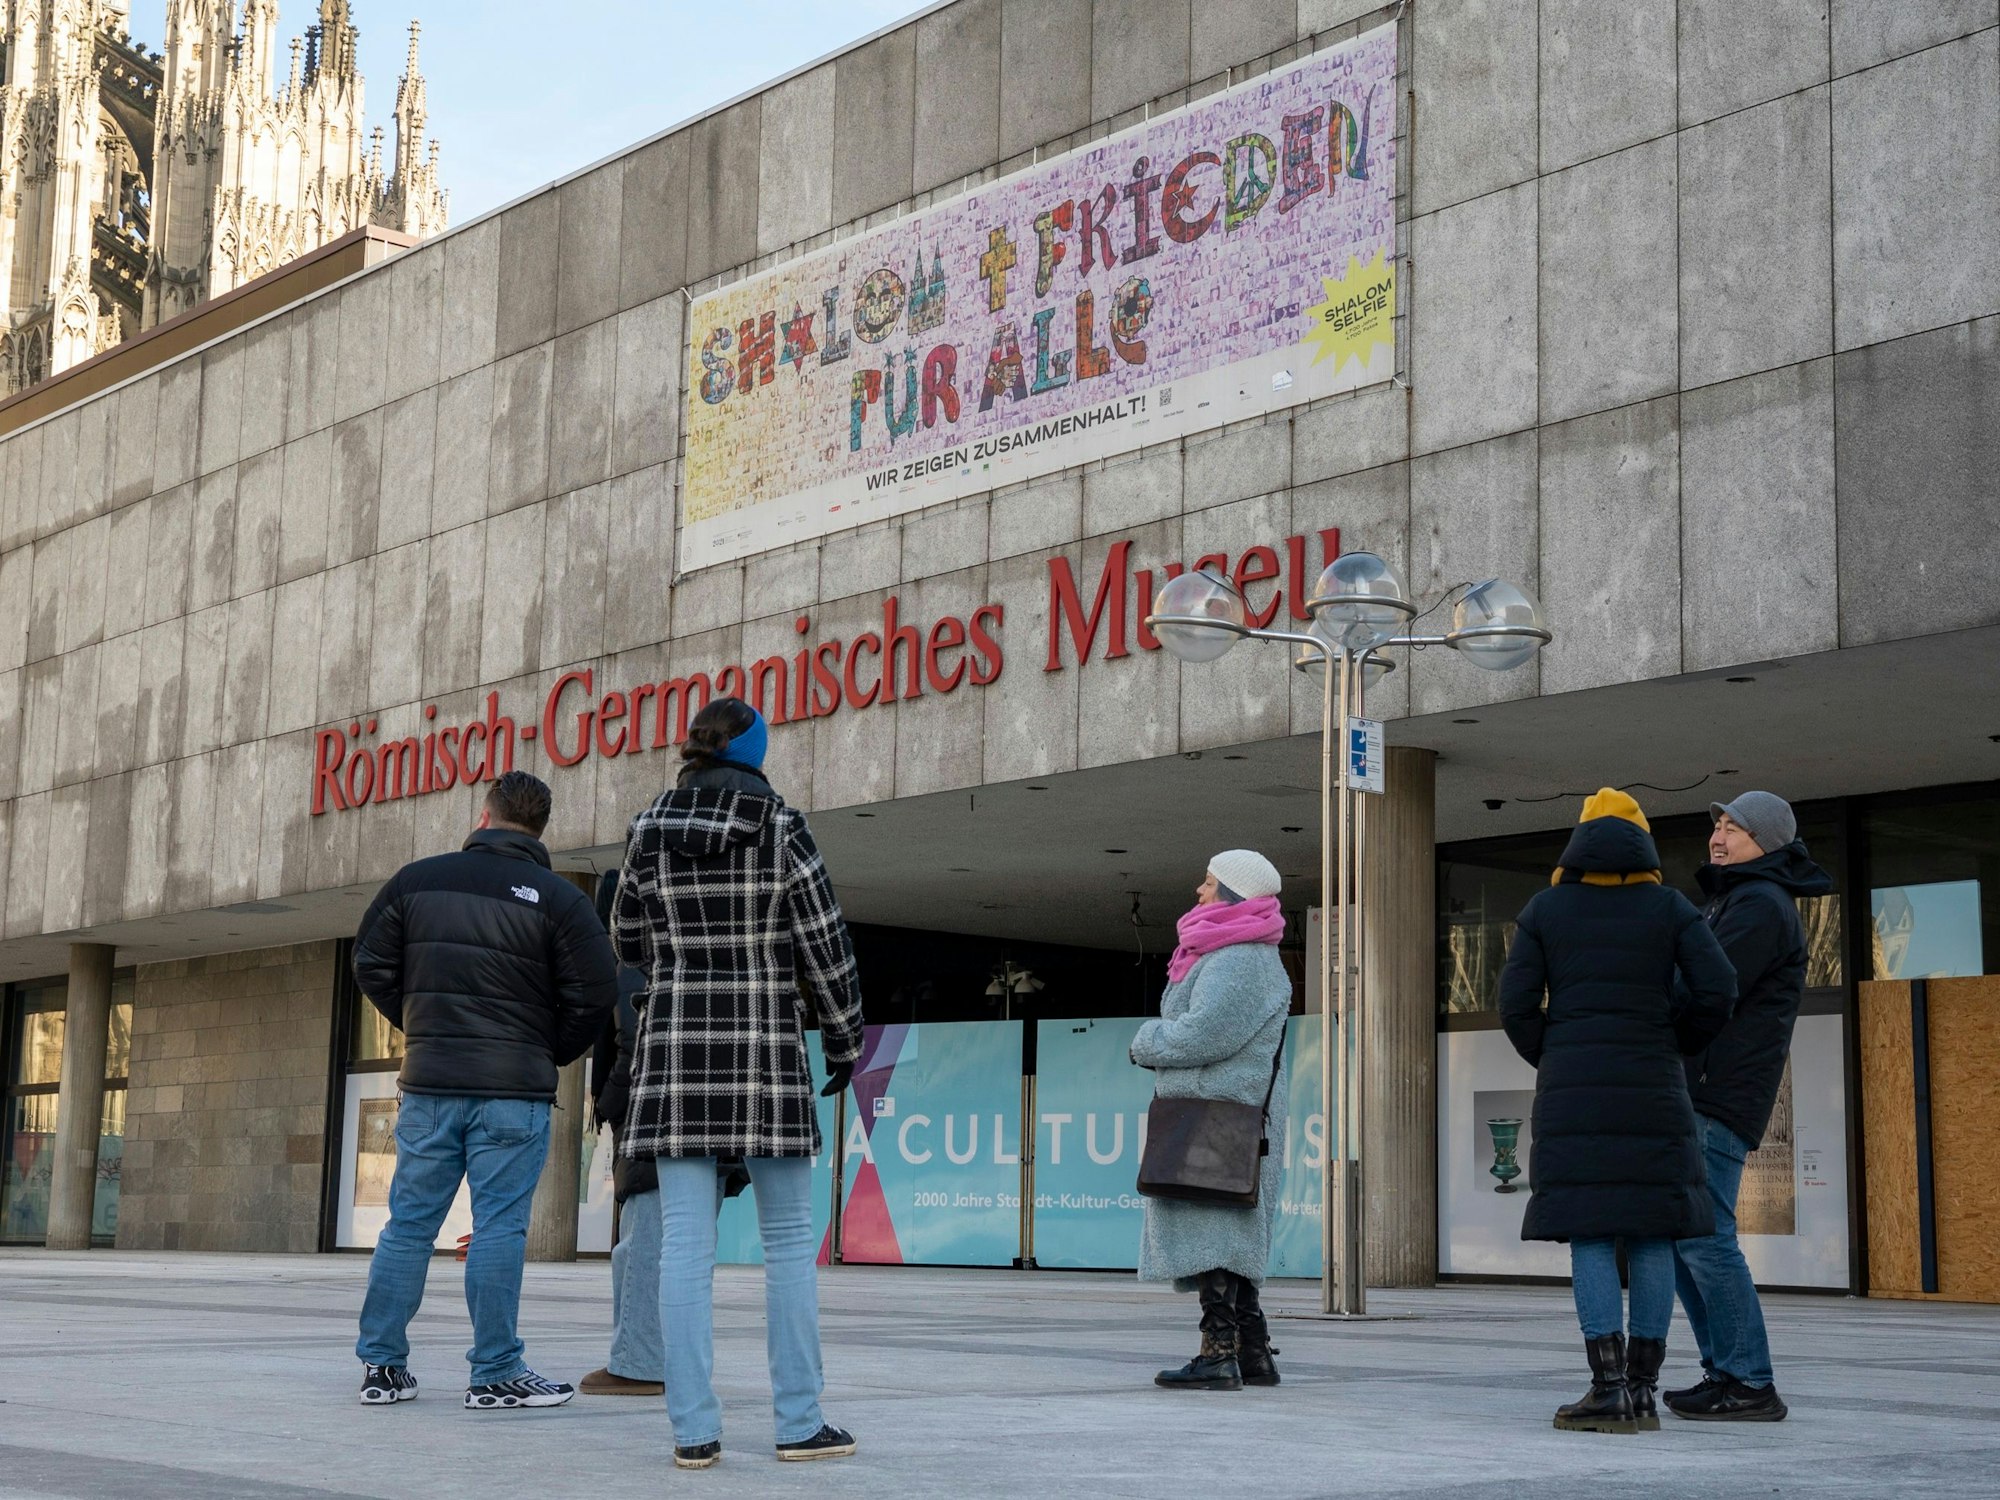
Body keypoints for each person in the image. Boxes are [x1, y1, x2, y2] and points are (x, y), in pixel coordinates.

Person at [612, 697, 866, 1468]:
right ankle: (799, 1423)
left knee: (684, 1245)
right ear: (754, 750)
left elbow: (625, 933)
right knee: (790, 1242)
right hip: (762, 1043)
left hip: (677, 1045)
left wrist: (677, 963)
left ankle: (692, 1431)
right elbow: (824, 941)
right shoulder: (782, 825)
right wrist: (844, 1035)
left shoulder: (647, 828)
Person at [351, 770, 618, 1410]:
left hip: (430, 1086)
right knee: (500, 1228)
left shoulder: (416, 881)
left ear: (484, 813)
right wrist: (546, 1049)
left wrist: (424, 1026)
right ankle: (494, 1372)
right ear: (541, 827)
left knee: (408, 1227)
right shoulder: (558, 899)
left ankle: (382, 1368)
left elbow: (370, 964)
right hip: (512, 1095)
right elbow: (596, 992)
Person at [1499, 789, 1736, 1434]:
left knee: (1593, 1232)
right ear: (1643, 843)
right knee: (1655, 1232)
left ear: (1579, 843)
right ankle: (1641, 1391)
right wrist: (1674, 1038)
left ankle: (1605, 1390)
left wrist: (1558, 1051)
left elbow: (1515, 1005)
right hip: (1655, 1085)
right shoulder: (1671, 908)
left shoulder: (1545, 909)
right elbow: (1718, 990)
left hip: (1575, 1088)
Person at [1667, 792, 1831, 1423]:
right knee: (1688, 1239)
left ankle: (1751, 1382)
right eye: (1718, 824)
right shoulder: (1733, 900)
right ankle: (1726, 1372)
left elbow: (1704, 988)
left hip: (1717, 1092)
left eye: (1734, 827)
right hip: (1703, 1089)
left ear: (1766, 842)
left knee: (1706, 1238)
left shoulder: (1759, 906)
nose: (1719, 835)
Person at [578, 873, 751, 1398]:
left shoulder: (639, 955)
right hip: (719, 1117)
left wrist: (606, 1100)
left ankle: (639, 1362)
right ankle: (670, 1361)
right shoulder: (710, 944)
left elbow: (635, 1041)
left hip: (657, 1120)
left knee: (645, 1245)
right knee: (685, 1248)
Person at [1131, 849, 1291, 1392]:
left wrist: (1145, 1042)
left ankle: (1219, 1352)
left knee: (1216, 1231)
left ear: (1232, 893)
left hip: (1220, 1119)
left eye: (1208, 883)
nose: (1199, 892)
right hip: (1225, 1116)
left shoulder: (1241, 957)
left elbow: (1205, 1033)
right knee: (1224, 1229)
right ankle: (1251, 1351)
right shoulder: (1227, 951)